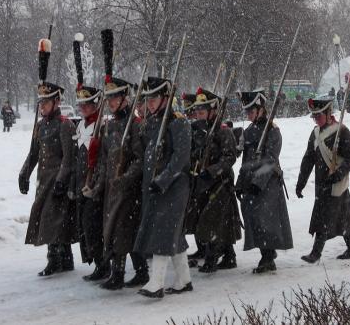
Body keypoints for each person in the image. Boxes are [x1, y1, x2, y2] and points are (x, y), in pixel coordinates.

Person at [84, 77, 148, 290]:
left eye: (115, 97)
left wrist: (126, 178)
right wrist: (97, 186)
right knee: (113, 231)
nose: (111, 102)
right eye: (109, 98)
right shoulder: (109, 126)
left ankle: (124, 273)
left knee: (124, 230)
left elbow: (141, 159)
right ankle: (131, 271)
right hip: (111, 189)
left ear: (125, 99)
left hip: (129, 190)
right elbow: (103, 159)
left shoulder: (136, 125)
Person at [135, 76, 192, 298]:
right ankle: (184, 280)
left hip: (175, 186)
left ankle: (156, 283)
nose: (150, 103)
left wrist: (163, 180)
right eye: (148, 98)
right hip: (157, 186)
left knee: (162, 230)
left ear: (166, 98)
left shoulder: (179, 122)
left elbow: (180, 158)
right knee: (174, 233)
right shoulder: (154, 122)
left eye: (155, 98)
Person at [18, 81, 77, 276]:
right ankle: (65, 259)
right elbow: (33, 153)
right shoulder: (40, 125)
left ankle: (55, 259)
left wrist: (61, 179)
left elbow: (68, 157)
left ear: (56, 102)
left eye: (46, 102)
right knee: (53, 219)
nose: (42, 106)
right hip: (43, 181)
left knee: (53, 218)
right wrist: (24, 173)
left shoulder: (64, 125)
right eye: (40, 102)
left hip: (58, 180)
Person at [235, 89, 293, 273]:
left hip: (267, 183)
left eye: (252, 111)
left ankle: (268, 258)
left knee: (265, 220)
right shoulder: (249, 131)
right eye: (247, 112)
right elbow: (246, 161)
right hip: (251, 182)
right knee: (252, 218)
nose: (249, 114)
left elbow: (270, 160)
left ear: (261, 109)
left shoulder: (273, 131)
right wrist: (240, 183)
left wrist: (257, 184)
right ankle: (267, 251)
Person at [296, 97, 350, 263]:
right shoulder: (315, 133)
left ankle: (316, 253)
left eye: (319, 116)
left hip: (336, 181)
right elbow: (308, 159)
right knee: (342, 215)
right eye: (314, 117)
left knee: (324, 216)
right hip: (321, 183)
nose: (316, 120)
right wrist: (301, 183)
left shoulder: (341, 131)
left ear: (328, 113)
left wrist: (339, 174)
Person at [185, 88, 241, 273]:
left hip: (220, 183)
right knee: (212, 220)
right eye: (197, 111)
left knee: (212, 221)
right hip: (202, 183)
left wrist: (212, 171)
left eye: (202, 111)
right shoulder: (200, 131)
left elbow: (229, 157)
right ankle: (229, 256)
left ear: (212, 111)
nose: (198, 115)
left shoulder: (223, 132)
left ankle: (212, 255)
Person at [70, 84, 109, 282]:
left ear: (96, 105)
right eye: (81, 105)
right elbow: (78, 158)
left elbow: (103, 160)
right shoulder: (81, 125)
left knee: (93, 225)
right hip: (81, 184)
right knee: (85, 227)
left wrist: (95, 185)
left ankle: (104, 264)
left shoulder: (102, 126)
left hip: (95, 186)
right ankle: (97, 263)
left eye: (87, 104)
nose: (83, 108)